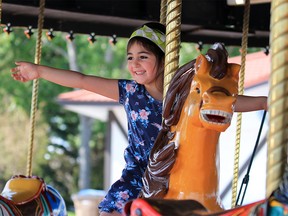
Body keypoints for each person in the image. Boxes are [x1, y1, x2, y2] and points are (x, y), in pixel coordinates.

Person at [10, 22, 267, 215]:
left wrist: (265, 102)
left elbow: (225, 102)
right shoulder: (130, 92)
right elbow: (82, 80)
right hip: (139, 175)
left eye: (143, 57)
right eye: (130, 58)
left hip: (178, 172)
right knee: (112, 210)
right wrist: (39, 71)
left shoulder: (184, 95)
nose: (135, 64)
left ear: (163, 60)